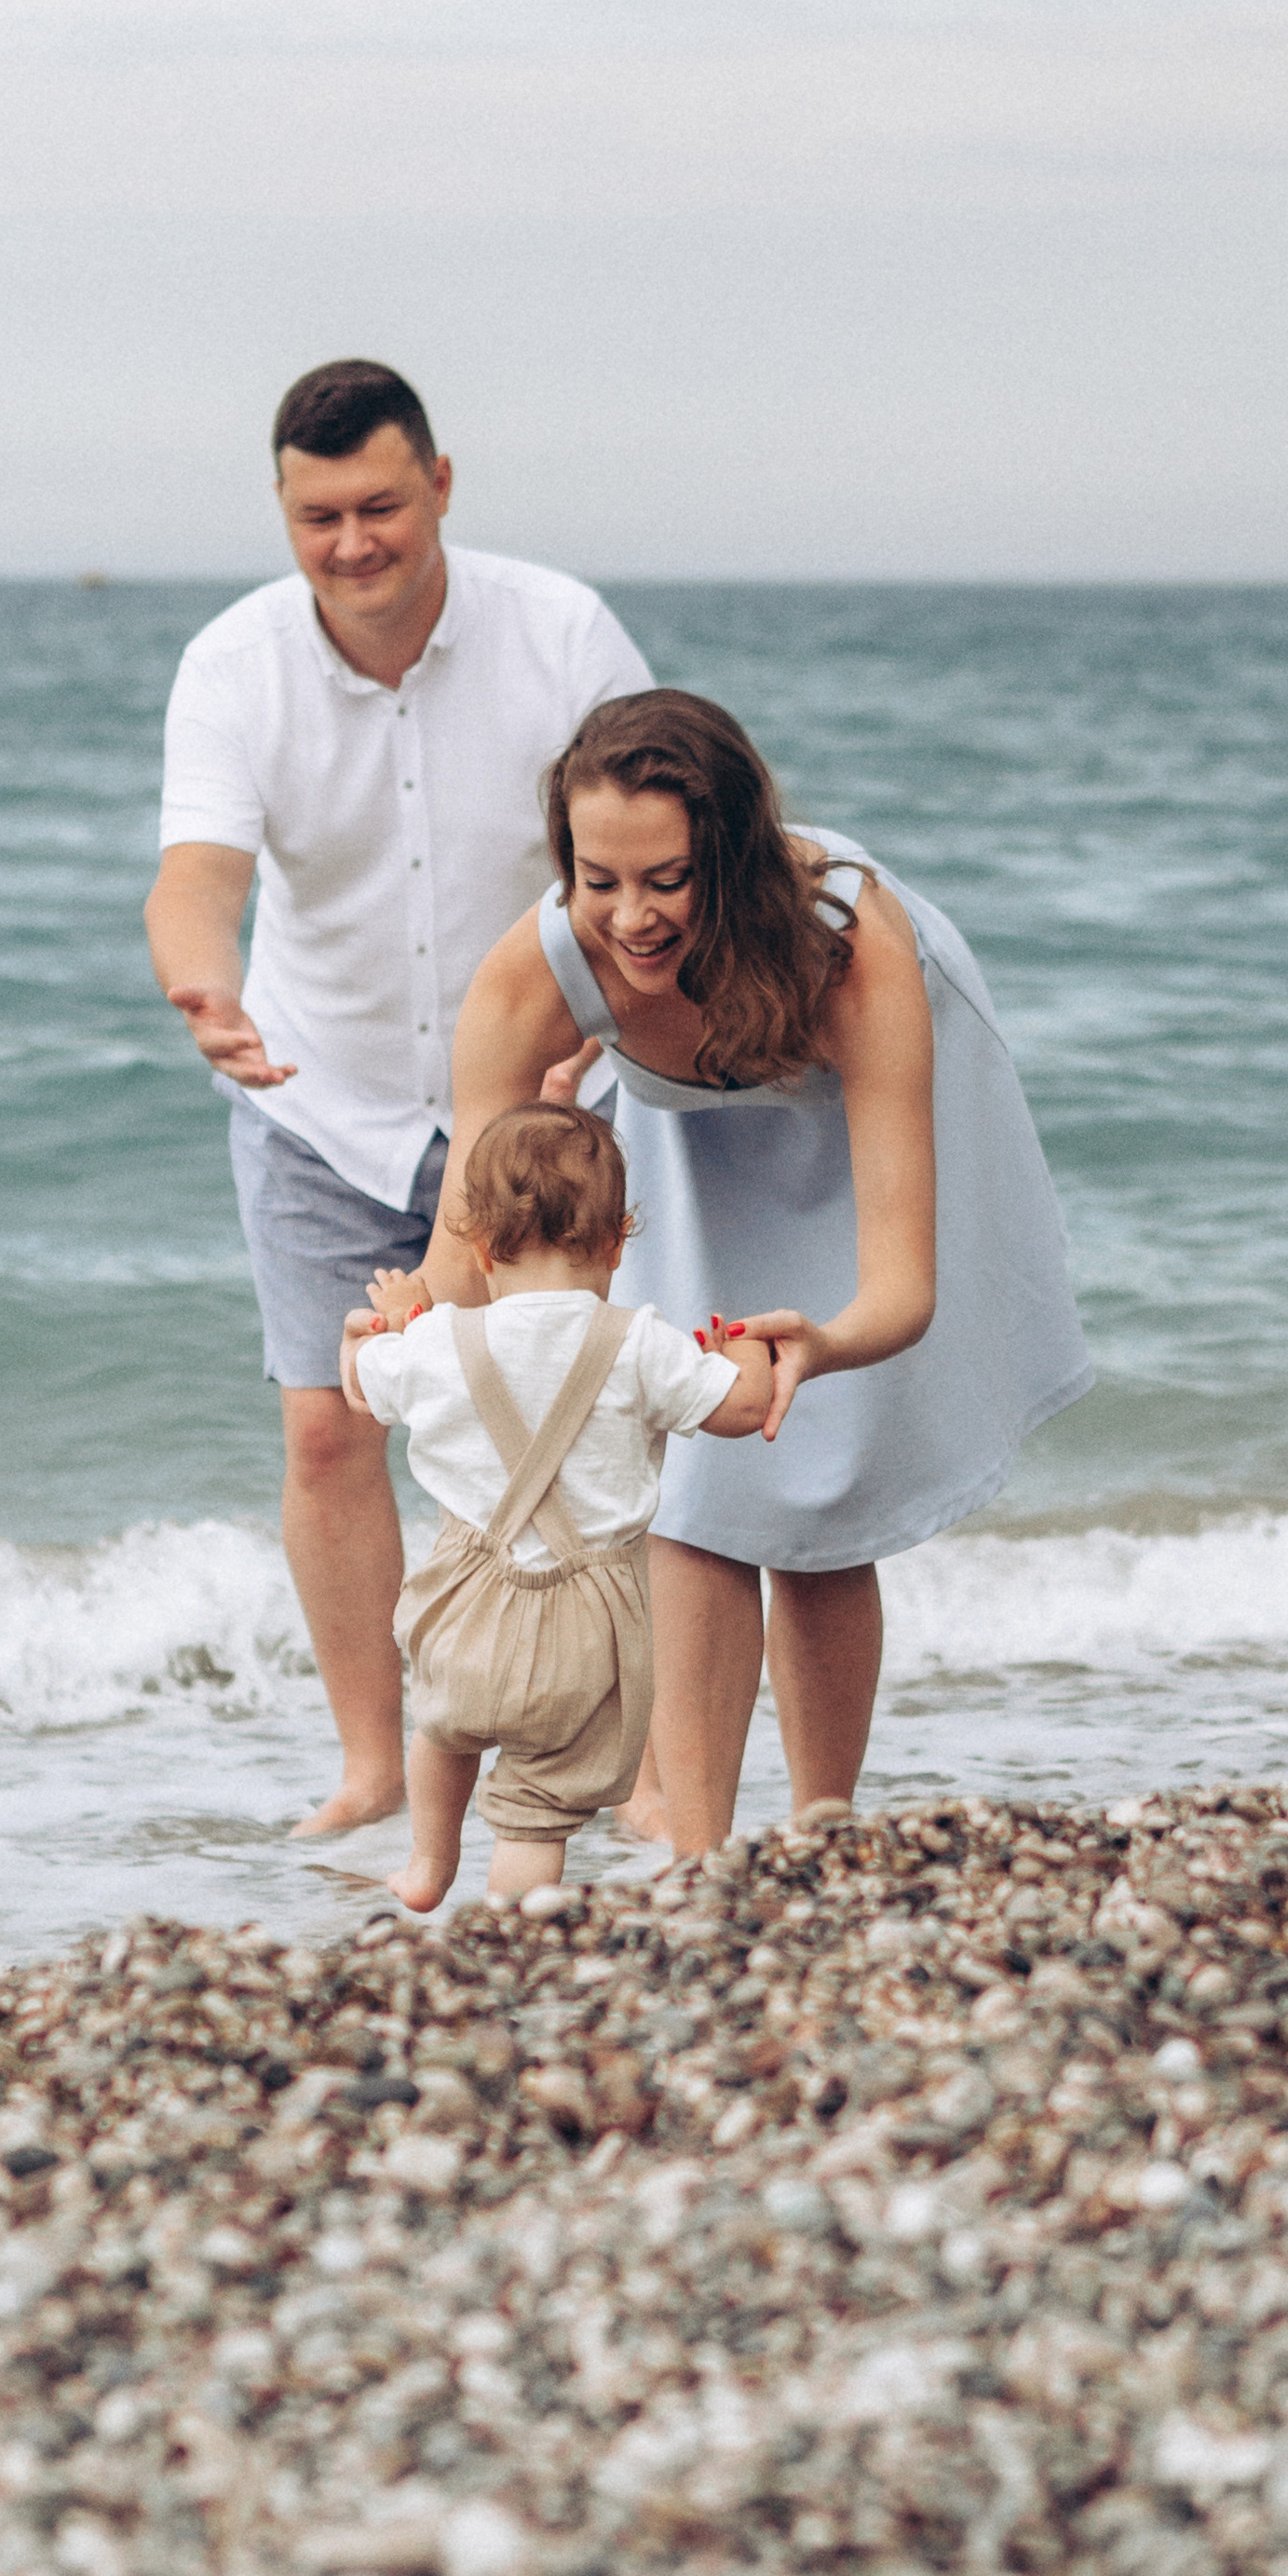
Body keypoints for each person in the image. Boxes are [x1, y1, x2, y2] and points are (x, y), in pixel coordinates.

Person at [387, 688, 1091, 1854]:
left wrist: (823, 1347)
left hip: (882, 1076)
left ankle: (822, 1828)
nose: (629, 917)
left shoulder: (849, 942)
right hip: (690, 1124)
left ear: (730, 854)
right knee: (695, 1496)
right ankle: (696, 1852)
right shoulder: (539, 971)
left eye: (665, 878)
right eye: (596, 878)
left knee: (822, 1486)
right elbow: (468, 1245)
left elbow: (900, 1290)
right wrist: (406, 1343)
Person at [142, 359, 651, 1837]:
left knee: (589, 1417)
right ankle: (378, 1765)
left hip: (556, 1091)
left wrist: (614, 1021)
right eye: (317, 518)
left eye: (378, 505)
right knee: (328, 1427)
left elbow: (647, 840)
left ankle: (625, 1767)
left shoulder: (559, 630)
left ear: (440, 481)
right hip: (326, 1096)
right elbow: (199, 875)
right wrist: (204, 989)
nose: (352, 543)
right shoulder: (233, 664)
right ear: (284, 515)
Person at [340, 1100, 772, 1908]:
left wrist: (385, 1323)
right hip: (590, 1626)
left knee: (443, 1725)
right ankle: (512, 1927)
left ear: (478, 1248)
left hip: (463, 1605)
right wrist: (740, 1350)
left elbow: (360, 1382)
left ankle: (429, 1865)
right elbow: (744, 1410)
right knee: (537, 1813)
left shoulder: (438, 1342)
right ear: (615, 1242)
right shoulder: (642, 1343)